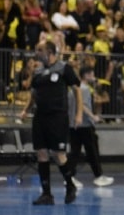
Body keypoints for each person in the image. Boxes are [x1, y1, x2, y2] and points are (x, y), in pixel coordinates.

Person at [18, 41, 84, 205]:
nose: (37, 52)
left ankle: (70, 185)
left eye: (39, 50)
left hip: (58, 116)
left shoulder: (64, 68)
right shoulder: (38, 71)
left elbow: (77, 90)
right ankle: (47, 194)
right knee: (41, 152)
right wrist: (26, 110)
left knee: (58, 154)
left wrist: (79, 114)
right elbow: (34, 93)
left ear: (50, 52)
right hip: (40, 116)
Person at [67, 66, 114, 188]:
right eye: (92, 74)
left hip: (73, 124)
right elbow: (83, 105)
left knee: (75, 152)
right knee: (92, 151)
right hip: (84, 124)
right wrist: (93, 117)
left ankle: (70, 176)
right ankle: (98, 176)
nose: (94, 76)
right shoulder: (85, 89)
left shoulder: (73, 89)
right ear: (86, 75)